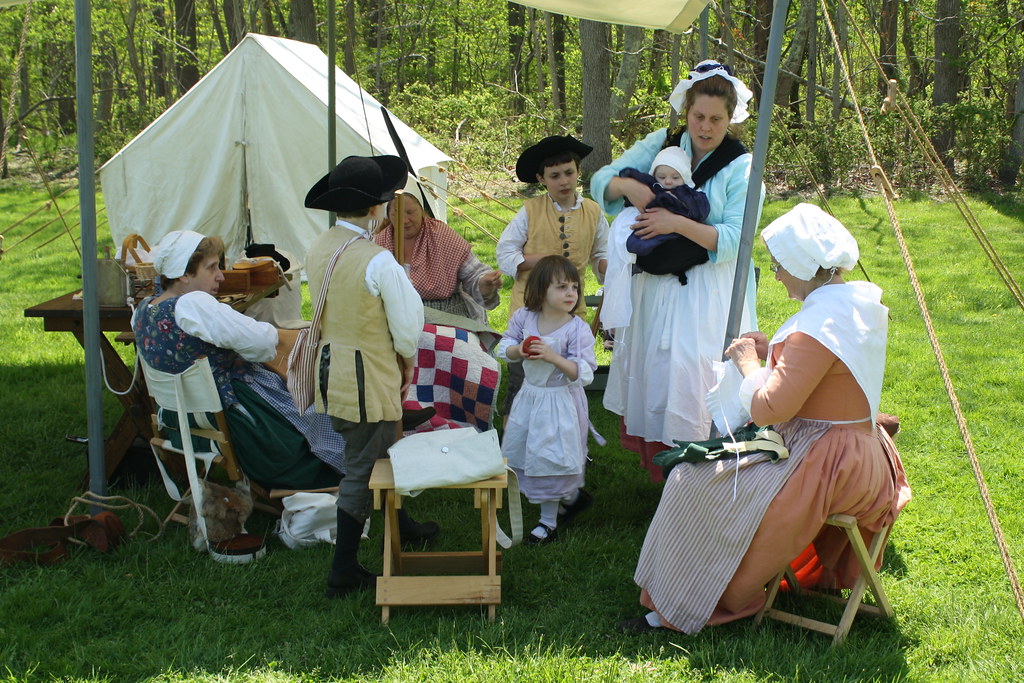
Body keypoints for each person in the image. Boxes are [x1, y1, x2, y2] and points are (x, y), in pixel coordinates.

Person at [619, 203, 911, 634]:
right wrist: (772, 347)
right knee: (699, 477)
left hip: (828, 462)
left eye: (778, 265)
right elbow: (818, 369)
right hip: (852, 449)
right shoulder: (852, 303)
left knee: (692, 483)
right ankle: (684, 592)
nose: (774, 274)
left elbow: (771, 407)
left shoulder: (821, 324)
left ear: (802, 264)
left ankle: (695, 602)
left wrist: (748, 363)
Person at [590, 60, 764, 482]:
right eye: (698, 116)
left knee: (696, 374)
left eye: (716, 119)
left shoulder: (741, 166)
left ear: (731, 119)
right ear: (686, 112)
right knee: (659, 372)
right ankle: (666, 474)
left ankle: (706, 474)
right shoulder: (665, 145)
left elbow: (737, 239)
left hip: (707, 289)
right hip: (656, 289)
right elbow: (600, 183)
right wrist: (628, 185)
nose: (705, 127)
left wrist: (675, 224)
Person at [303, 155, 437, 600]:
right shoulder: (378, 261)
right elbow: (407, 326)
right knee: (363, 465)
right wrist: (405, 362)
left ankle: (403, 525)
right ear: (378, 208)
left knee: (383, 449)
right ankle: (343, 569)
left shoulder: (320, 244)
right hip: (365, 377)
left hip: (332, 369)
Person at [132, 230, 343, 491]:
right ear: (184, 274)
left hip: (179, 422)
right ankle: (338, 472)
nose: (220, 275)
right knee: (313, 409)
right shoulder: (192, 304)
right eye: (211, 268)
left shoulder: (143, 309)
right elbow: (260, 342)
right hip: (231, 422)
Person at [496, 134, 609, 418]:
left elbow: (601, 253)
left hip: (572, 311)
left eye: (569, 172)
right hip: (530, 308)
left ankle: (565, 441)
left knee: (568, 383)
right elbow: (506, 254)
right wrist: (544, 260)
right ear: (541, 178)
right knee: (523, 381)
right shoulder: (530, 211)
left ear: (579, 171)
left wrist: (611, 270)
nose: (564, 181)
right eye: (555, 175)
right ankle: (515, 447)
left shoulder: (594, 212)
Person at [496, 256, 597, 544]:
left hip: (560, 402)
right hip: (531, 399)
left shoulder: (576, 329)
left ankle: (547, 522)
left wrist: (553, 357)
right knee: (533, 453)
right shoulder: (525, 318)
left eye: (574, 287)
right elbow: (503, 347)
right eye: (562, 287)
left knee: (551, 457)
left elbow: (584, 372)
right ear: (541, 290)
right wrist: (519, 351)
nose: (571, 293)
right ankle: (572, 496)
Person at [374, 175, 503, 326]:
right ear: (388, 216)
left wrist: (483, 283)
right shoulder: (379, 243)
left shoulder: (441, 235)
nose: (404, 220)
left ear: (421, 211)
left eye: (410, 212)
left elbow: (473, 273)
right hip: (397, 319)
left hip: (447, 316)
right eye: (397, 214)